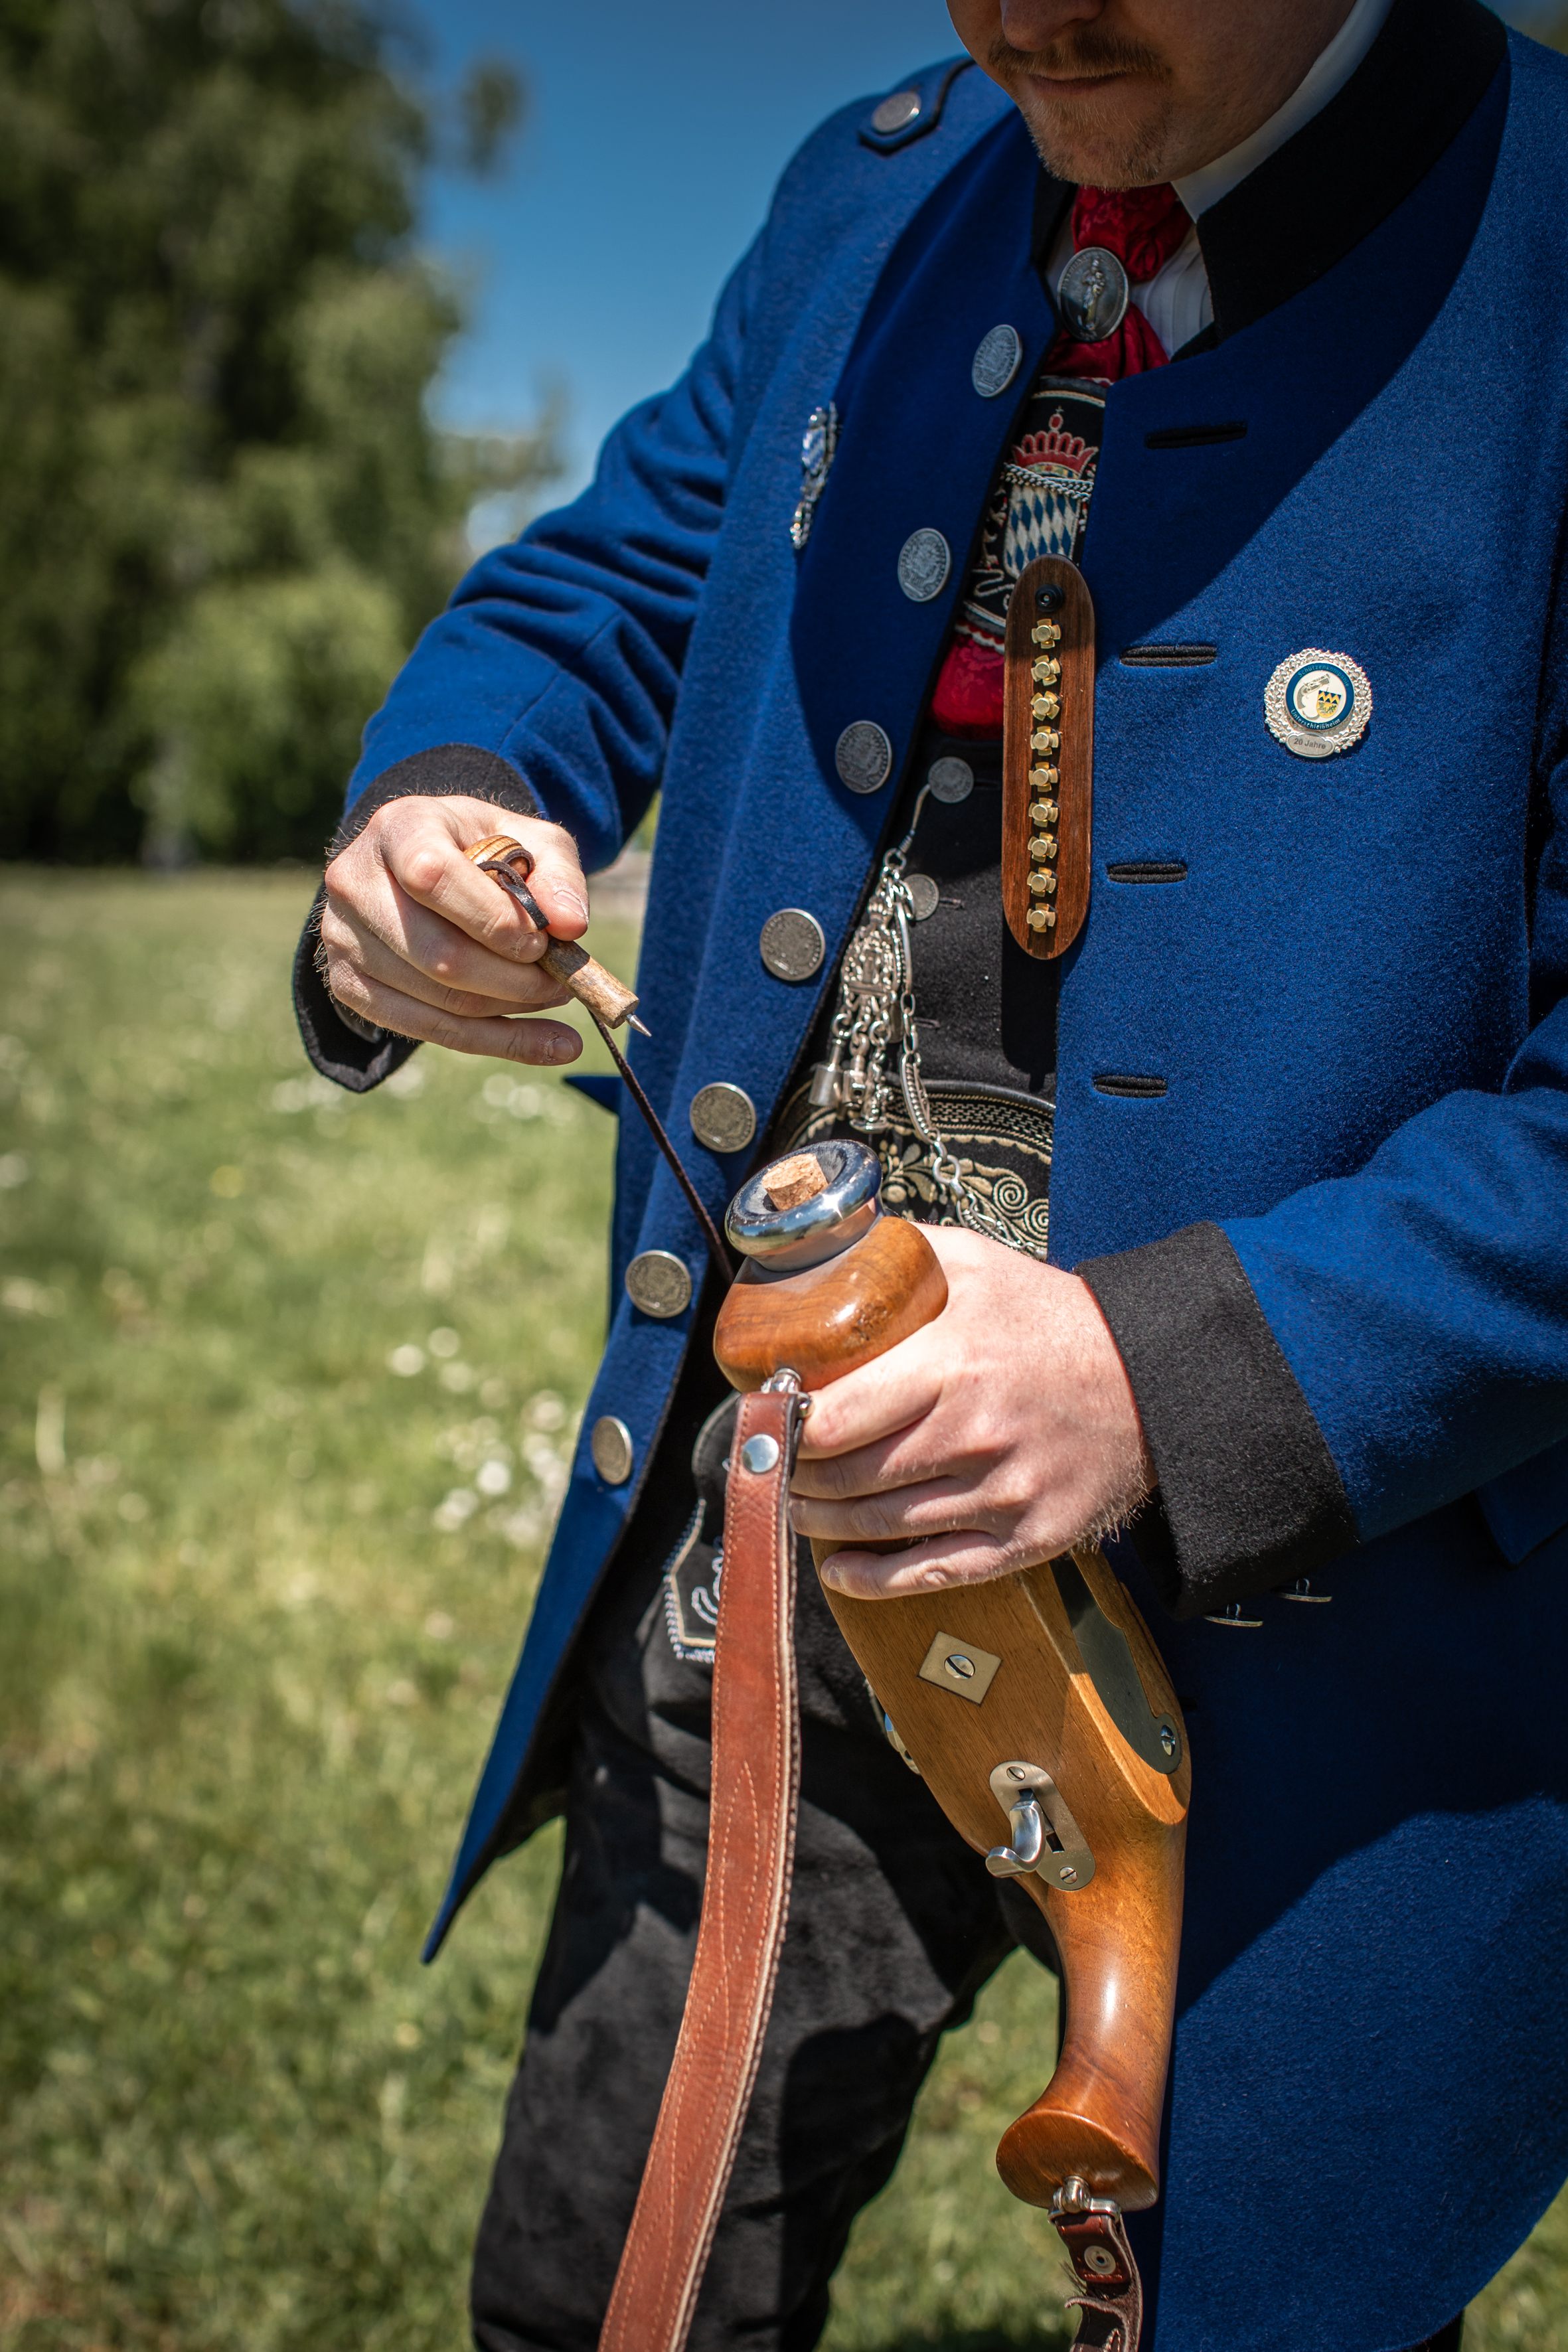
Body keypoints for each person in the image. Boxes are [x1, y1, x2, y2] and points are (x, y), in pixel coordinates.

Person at [293, 0, 1568, 2344]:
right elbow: (609, 584)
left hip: (1348, 1616)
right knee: (607, 2294)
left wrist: (1159, 1378)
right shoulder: (872, 187)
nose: (1021, 21)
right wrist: (449, 787)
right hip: (789, 1499)